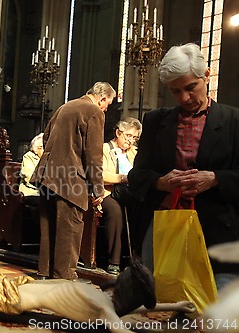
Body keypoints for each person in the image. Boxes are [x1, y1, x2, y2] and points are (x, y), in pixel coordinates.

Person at [128, 43, 239, 288]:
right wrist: (160, 182)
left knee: (217, 308)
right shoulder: (157, 120)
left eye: (191, 87)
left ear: (206, 76)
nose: (185, 98)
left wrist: (215, 178)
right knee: (161, 296)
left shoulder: (233, 120)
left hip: (217, 228)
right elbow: (137, 175)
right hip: (165, 224)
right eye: (176, 91)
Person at [0, 261, 196, 333]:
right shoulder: (105, 297)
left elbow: (124, 327)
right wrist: (176, 305)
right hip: (19, 284)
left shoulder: (105, 310)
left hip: (11, 299)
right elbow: (142, 307)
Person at [31, 82, 116, 280]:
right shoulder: (93, 112)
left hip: (48, 175)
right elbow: (93, 155)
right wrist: (98, 189)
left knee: (49, 227)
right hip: (70, 179)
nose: (106, 108)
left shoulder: (65, 107)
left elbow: (45, 138)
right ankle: (64, 277)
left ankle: (45, 272)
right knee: (70, 230)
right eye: (107, 104)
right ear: (102, 98)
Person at [101, 117, 142, 275]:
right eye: (128, 136)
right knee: (116, 212)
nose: (131, 141)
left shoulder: (135, 152)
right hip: (108, 191)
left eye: (134, 137)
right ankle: (114, 261)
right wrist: (121, 178)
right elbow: (100, 174)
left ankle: (136, 259)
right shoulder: (104, 149)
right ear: (118, 132)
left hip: (130, 192)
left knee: (142, 209)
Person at [18, 133, 44, 206]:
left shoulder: (46, 158)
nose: (44, 150)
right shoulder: (28, 157)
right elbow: (29, 177)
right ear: (35, 149)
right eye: (41, 147)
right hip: (30, 191)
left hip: (44, 192)